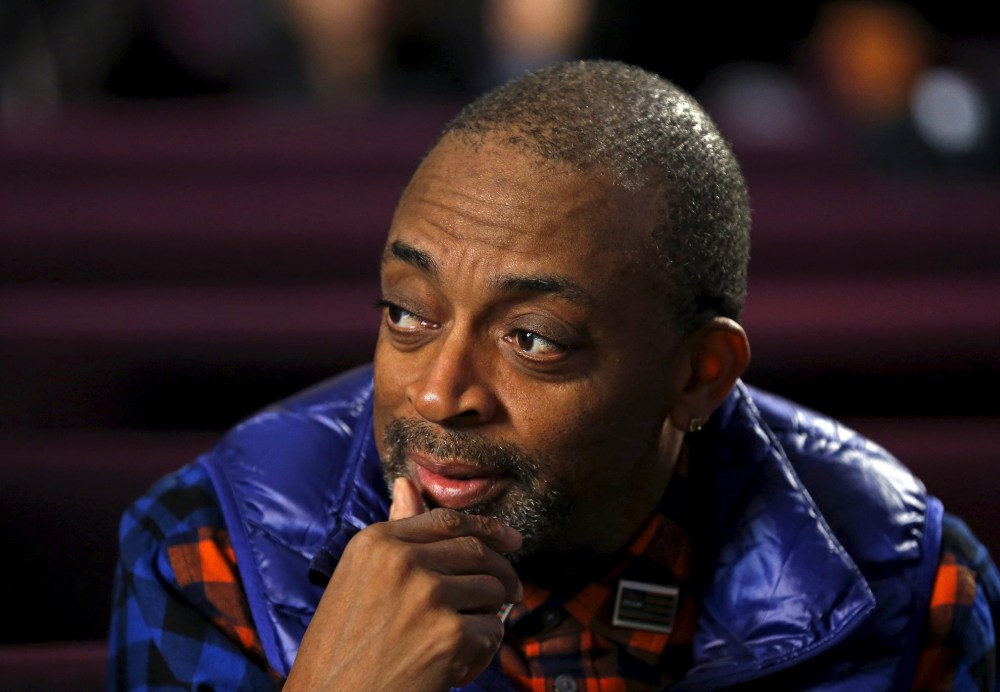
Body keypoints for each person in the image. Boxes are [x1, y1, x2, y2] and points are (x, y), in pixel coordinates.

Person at [107, 60, 999, 690]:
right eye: (408, 314)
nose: (437, 393)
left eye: (532, 339)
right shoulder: (211, 546)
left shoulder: (913, 586)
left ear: (699, 374)